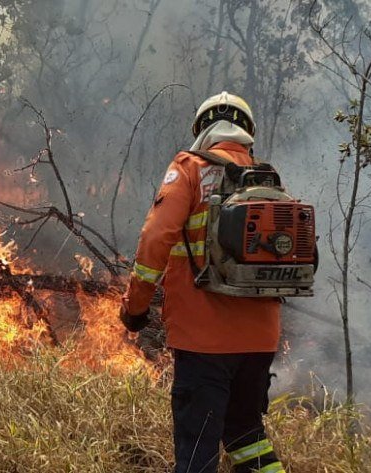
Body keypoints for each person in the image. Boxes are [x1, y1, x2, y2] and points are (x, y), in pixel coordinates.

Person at [120, 92, 286, 473]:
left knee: (197, 448)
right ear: (247, 132)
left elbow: (154, 240)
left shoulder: (190, 167)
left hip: (204, 340)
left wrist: (135, 308)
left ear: (202, 130)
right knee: (245, 433)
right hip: (260, 341)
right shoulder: (267, 178)